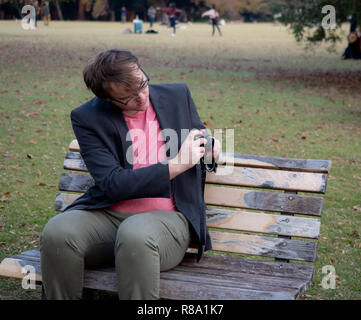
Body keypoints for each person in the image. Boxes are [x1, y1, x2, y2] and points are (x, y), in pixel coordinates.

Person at [40, 49, 220, 300]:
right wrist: (176, 164)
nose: (142, 98)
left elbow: (199, 137)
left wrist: (210, 147)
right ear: (107, 99)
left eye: (142, 85)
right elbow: (113, 184)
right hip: (109, 215)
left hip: (168, 219)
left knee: (135, 233)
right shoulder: (88, 118)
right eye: (128, 98)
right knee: (57, 232)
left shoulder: (177, 95)